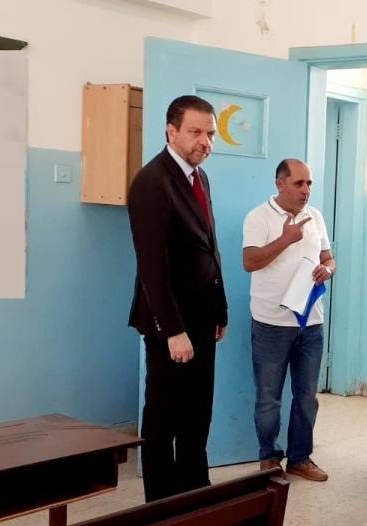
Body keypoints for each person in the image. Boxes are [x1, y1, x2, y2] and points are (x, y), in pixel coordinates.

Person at [126, 95, 228, 503]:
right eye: (195, 132)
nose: (205, 141)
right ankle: (161, 503)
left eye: (210, 134)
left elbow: (209, 247)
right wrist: (172, 330)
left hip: (202, 317)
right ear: (171, 132)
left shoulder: (199, 178)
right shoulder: (152, 182)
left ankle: (194, 491)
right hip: (170, 323)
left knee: (197, 411)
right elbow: (152, 267)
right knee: (164, 414)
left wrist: (220, 309)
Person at [242, 159, 335, 481]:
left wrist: (328, 270)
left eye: (309, 183)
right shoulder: (258, 217)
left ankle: (300, 458)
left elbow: (328, 257)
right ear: (280, 184)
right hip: (271, 324)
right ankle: (269, 458)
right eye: (299, 183)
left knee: (307, 397)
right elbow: (249, 262)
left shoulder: (316, 216)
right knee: (269, 397)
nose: (306, 190)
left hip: (310, 322)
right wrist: (286, 239)